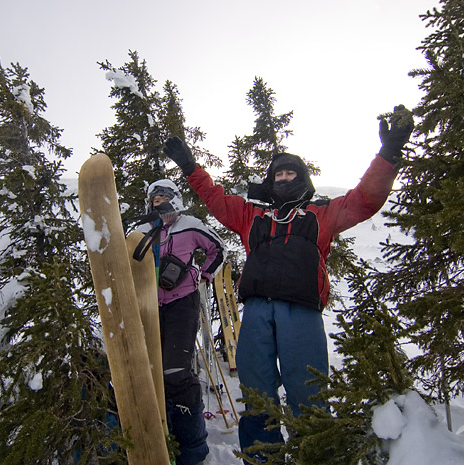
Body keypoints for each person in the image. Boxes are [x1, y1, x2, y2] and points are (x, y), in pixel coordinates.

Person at [161, 105, 414, 463]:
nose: (283, 178)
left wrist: (389, 153)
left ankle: (316, 456)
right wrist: (190, 166)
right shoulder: (252, 215)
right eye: (278, 174)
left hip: (301, 313)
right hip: (257, 313)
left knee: (307, 393)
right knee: (256, 392)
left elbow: (365, 199)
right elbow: (215, 199)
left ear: (302, 177)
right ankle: (262, 458)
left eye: (290, 172)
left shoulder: (321, 213)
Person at [135, 179, 225, 465]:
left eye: (164, 198)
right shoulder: (142, 231)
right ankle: (160, 436)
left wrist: (204, 275)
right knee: (150, 370)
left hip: (182, 303)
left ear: (175, 199)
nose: (160, 203)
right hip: (149, 305)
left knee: (175, 369)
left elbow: (218, 249)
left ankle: (192, 447)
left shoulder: (191, 225)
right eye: (155, 200)